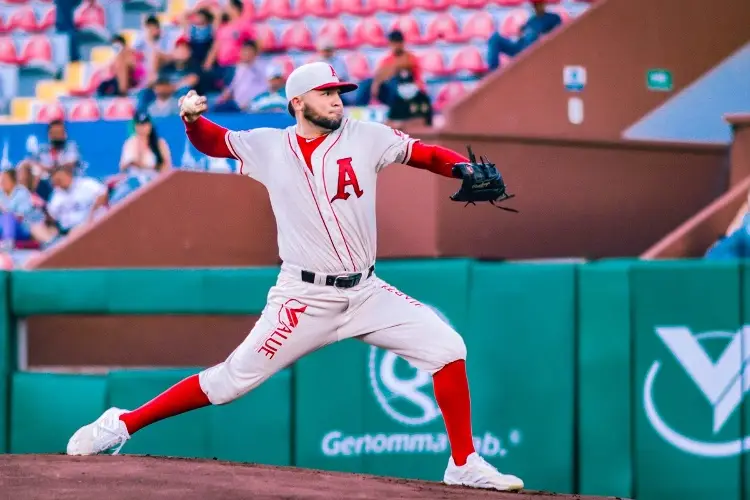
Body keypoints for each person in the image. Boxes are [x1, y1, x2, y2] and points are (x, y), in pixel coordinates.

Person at [65, 61, 524, 493]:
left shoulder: (365, 136)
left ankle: (464, 465)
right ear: (297, 103)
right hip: (302, 297)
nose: (337, 100)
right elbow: (215, 141)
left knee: (447, 348)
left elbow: (420, 153)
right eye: (325, 93)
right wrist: (189, 121)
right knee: (228, 383)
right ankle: (122, 423)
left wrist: (458, 167)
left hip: (365, 291)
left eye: (339, 92)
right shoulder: (269, 146)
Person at [353, 30, 425, 108]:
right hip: (390, 93)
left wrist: (382, 76)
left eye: (397, 43)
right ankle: (359, 109)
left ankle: (397, 109)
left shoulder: (410, 58)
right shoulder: (386, 60)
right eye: (392, 43)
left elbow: (401, 66)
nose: (394, 46)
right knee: (367, 82)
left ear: (402, 43)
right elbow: (378, 74)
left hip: (408, 91)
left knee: (393, 80)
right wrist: (376, 82)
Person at [487, 0, 562, 71]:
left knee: (532, 36)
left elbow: (557, 36)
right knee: (495, 38)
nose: (537, 6)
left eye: (539, 3)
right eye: (535, 4)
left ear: (544, 3)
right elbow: (522, 36)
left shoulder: (553, 18)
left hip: (537, 51)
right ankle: (493, 72)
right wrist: (521, 32)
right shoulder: (531, 20)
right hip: (521, 49)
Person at [214, 40, 267, 112]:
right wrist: (224, 96)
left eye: (249, 51)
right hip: (238, 106)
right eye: (244, 51)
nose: (246, 54)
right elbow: (231, 88)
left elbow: (265, 89)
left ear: (255, 53)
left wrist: (251, 102)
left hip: (256, 105)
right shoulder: (238, 69)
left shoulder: (262, 68)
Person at [0, 169, 47, 249]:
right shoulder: (1, 193)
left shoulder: (21, 192)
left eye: (4, 180)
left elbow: (22, 216)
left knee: (8, 217)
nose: (2, 182)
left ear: (12, 180)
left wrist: (5, 209)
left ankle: (8, 242)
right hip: (3, 228)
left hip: (22, 227)